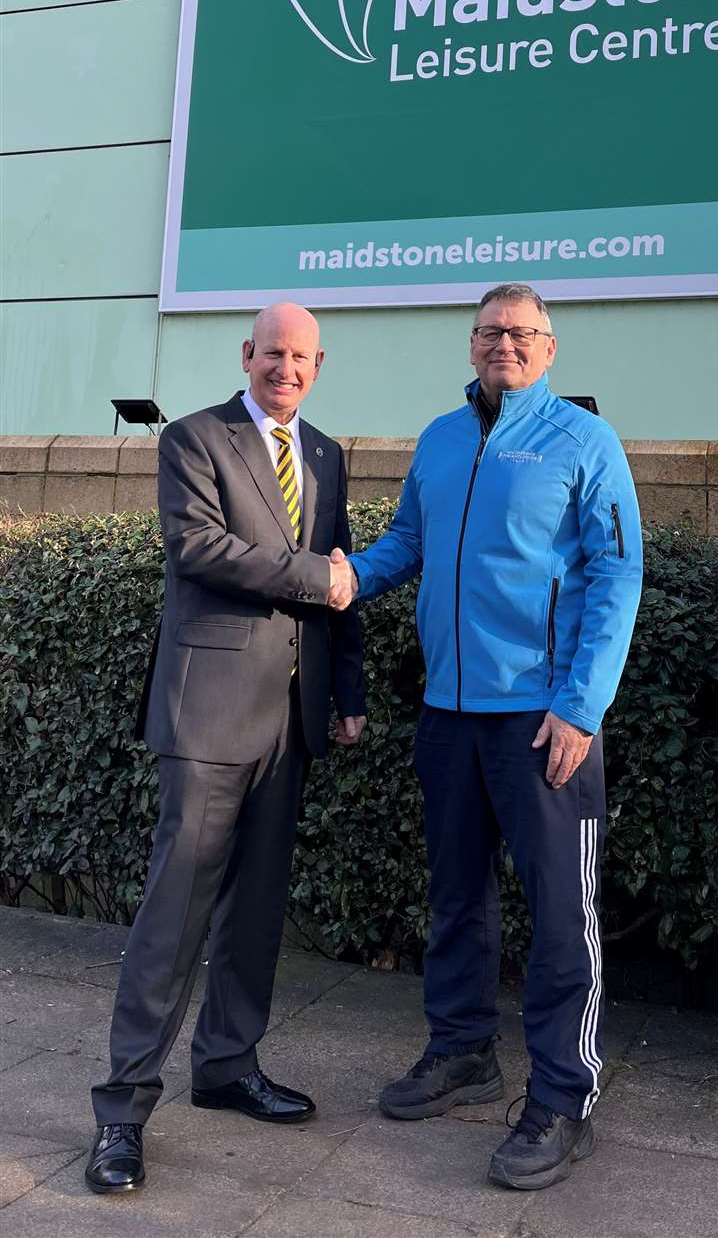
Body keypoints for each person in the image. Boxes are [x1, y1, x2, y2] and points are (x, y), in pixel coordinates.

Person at [346, 282, 642, 1190]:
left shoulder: (584, 442)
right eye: (489, 331)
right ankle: (463, 1049)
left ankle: (564, 1095)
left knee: (562, 916)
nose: (504, 343)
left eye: (521, 332)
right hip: (450, 712)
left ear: (549, 348)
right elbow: (404, 542)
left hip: (543, 718)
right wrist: (338, 577)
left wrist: (581, 706)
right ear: (470, 344)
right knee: (456, 896)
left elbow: (617, 573)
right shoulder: (438, 439)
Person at [86, 302, 364, 1194]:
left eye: (302, 356)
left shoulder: (324, 451)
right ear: (247, 355)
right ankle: (123, 1109)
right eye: (272, 352)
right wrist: (312, 576)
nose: (286, 368)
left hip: (292, 719)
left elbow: (345, 575)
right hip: (207, 714)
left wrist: (347, 693)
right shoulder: (194, 440)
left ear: (319, 365)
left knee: (256, 911)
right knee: (174, 916)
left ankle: (226, 1064)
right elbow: (201, 548)